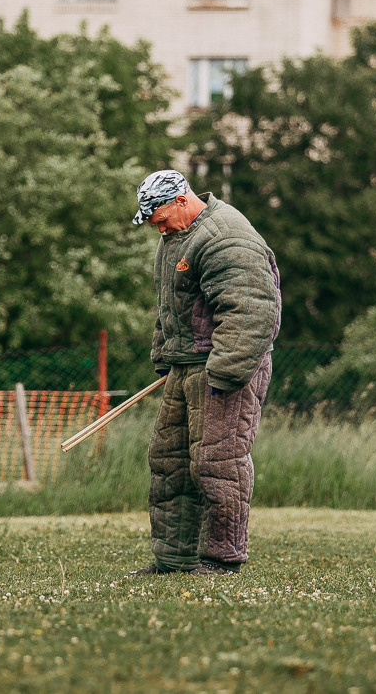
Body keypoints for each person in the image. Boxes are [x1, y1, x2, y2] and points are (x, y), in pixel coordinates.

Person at [129, 170, 281, 577]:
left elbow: (250, 310)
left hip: (223, 368)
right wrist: (165, 358)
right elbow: (170, 307)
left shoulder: (225, 236)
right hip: (186, 367)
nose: (157, 229)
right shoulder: (174, 239)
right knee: (170, 463)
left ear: (182, 199)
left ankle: (221, 559)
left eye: (160, 219)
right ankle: (174, 559)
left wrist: (226, 372)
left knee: (217, 462)